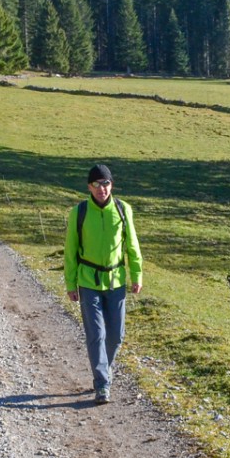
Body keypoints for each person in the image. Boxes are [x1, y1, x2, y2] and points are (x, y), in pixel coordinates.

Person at [65, 163, 143, 404]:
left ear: (112, 185)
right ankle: (102, 383)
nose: (102, 188)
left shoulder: (123, 209)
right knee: (96, 334)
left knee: (116, 336)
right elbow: (71, 250)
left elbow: (132, 244)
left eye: (106, 183)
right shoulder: (79, 212)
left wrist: (137, 275)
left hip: (116, 281)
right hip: (88, 281)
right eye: (97, 184)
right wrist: (71, 282)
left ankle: (104, 371)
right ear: (89, 187)